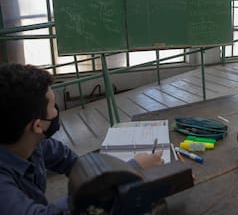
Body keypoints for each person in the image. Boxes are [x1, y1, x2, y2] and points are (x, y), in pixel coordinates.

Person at [0, 63, 163, 214]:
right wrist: (132, 168)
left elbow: (76, 164)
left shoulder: (34, 144)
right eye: (52, 107)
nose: (56, 112)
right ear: (37, 125)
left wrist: (111, 177)